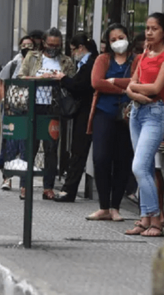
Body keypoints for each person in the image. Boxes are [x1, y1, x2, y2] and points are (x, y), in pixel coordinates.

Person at [124, 12, 164, 237]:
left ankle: (156, 220)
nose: (148, 32)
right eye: (147, 28)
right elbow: (131, 84)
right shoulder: (145, 53)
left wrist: (134, 90)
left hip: (155, 114)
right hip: (137, 113)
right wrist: (134, 93)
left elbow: (157, 88)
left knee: (139, 167)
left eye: (154, 28)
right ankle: (145, 218)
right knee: (144, 168)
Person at [85, 24, 139, 220]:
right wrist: (125, 88)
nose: (118, 42)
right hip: (103, 114)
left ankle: (115, 207)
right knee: (100, 159)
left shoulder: (137, 59)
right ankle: (104, 207)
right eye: (113, 39)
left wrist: (114, 82)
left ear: (128, 36)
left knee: (123, 160)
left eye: (121, 37)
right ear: (108, 42)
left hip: (128, 116)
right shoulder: (103, 59)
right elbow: (96, 83)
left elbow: (137, 82)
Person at [18, 27, 76, 200]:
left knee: (51, 148)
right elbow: (21, 77)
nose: (53, 48)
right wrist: (38, 79)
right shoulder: (32, 57)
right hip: (34, 106)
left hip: (53, 107)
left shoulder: (66, 61)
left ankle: (48, 186)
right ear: (43, 43)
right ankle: (25, 185)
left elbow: (71, 83)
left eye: (57, 45)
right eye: (50, 44)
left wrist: (61, 79)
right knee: (31, 147)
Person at [53, 33, 98, 203]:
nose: (72, 54)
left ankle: (69, 189)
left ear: (80, 48)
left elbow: (81, 86)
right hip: (83, 112)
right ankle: (69, 188)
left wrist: (63, 79)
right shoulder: (84, 64)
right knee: (77, 150)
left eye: (73, 50)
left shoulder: (91, 63)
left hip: (88, 111)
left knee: (78, 151)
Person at [0, 36, 34, 190]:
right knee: (13, 145)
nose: (27, 47)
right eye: (24, 44)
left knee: (25, 146)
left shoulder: (37, 62)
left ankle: (21, 184)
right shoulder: (14, 62)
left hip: (30, 109)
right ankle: (8, 177)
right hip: (13, 109)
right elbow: (1, 80)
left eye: (30, 45)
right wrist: (3, 99)